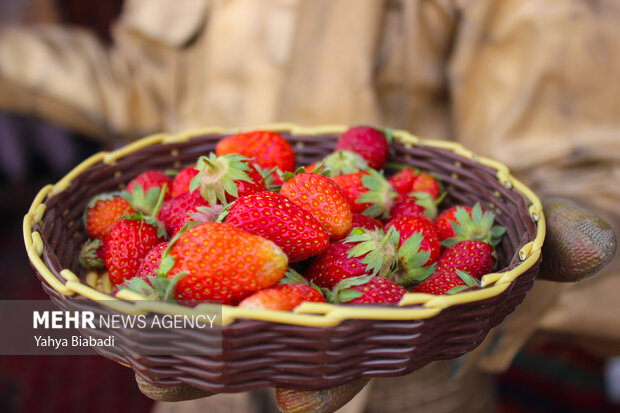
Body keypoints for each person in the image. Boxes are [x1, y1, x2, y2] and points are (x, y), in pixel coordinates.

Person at [1, 0, 618, 411]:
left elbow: (584, 156)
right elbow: (140, 82)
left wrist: (543, 234)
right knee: (37, 330)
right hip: (191, 338)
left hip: (402, 359)